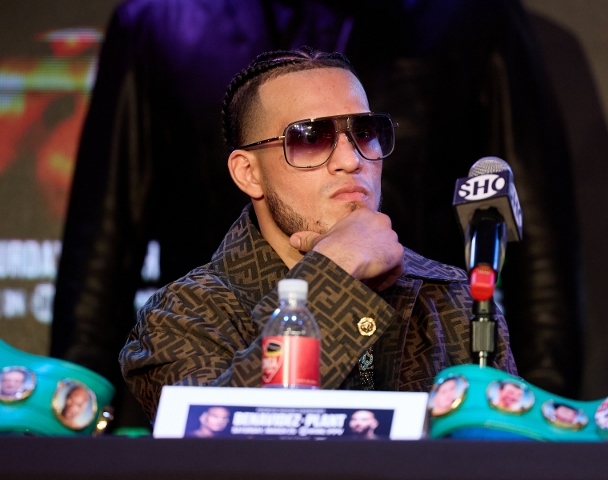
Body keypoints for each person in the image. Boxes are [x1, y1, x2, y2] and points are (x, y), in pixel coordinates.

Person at [119, 47, 517, 421]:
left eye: (364, 131)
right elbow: (222, 441)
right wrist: (335, 270)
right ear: (249, 173)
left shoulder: (453, 300)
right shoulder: (181, 315)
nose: (350, 159)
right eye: (310, 137)